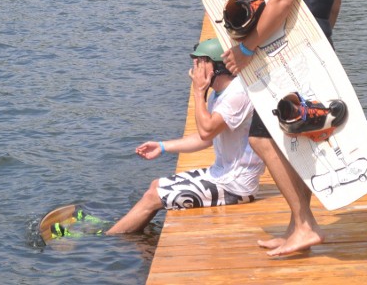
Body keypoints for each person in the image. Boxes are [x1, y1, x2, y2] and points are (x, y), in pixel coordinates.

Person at [222, 0, 342, 257]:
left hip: (292, 51)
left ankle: (306, 225)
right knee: (295, 135)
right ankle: (297, 226)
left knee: (261, 137)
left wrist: (246, 47)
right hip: (316, 45)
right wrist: (322, 43)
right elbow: (335, 0)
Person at [106, 38, 265, 234]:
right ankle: (124, 231)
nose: (194, 67)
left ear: (214, 65)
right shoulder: (219, 93)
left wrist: (199, 92)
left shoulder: (237, 94)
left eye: (200, 62)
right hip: (222, 175)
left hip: (237, 186)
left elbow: (206, 130)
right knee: (156, 185)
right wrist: (162, 146)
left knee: (153, 197)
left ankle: (106, 240)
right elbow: (205, 138)